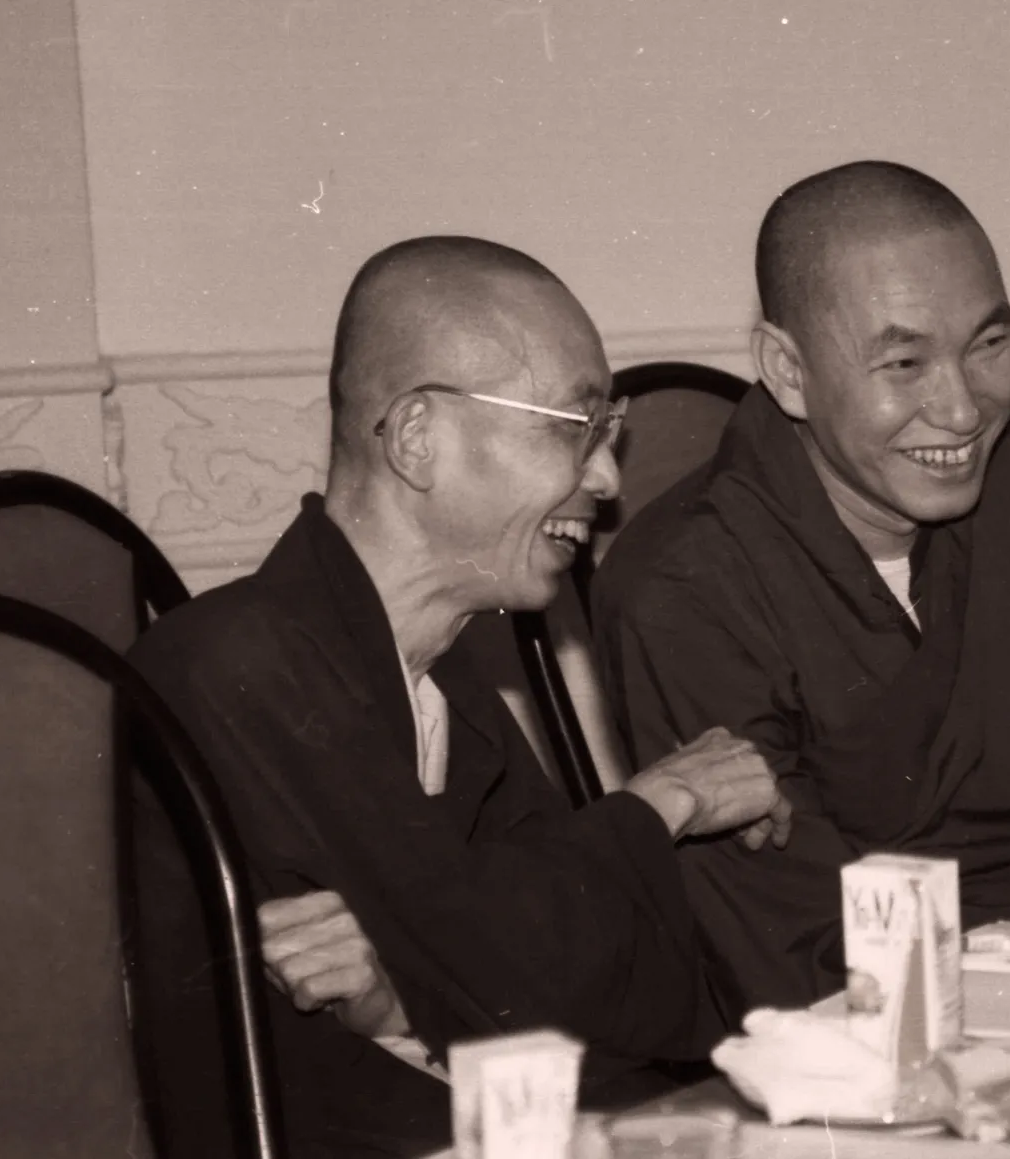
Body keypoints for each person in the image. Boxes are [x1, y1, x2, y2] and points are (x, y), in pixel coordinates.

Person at [127, 236, 790, 1159]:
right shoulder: (233, 662)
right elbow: (480, 959)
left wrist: (407, 986)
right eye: (572, 426)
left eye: (607, 431)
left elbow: (534, 964)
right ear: (416, 439)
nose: (606, 478)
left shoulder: (437, 664)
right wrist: (664, 800)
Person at [593, 161, 1010, 1011]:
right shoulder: (681, 586)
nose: (962, 410)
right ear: (787, 370)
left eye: (989, 345)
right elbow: (788, 936)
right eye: (904, 362)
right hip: (869, 1022)